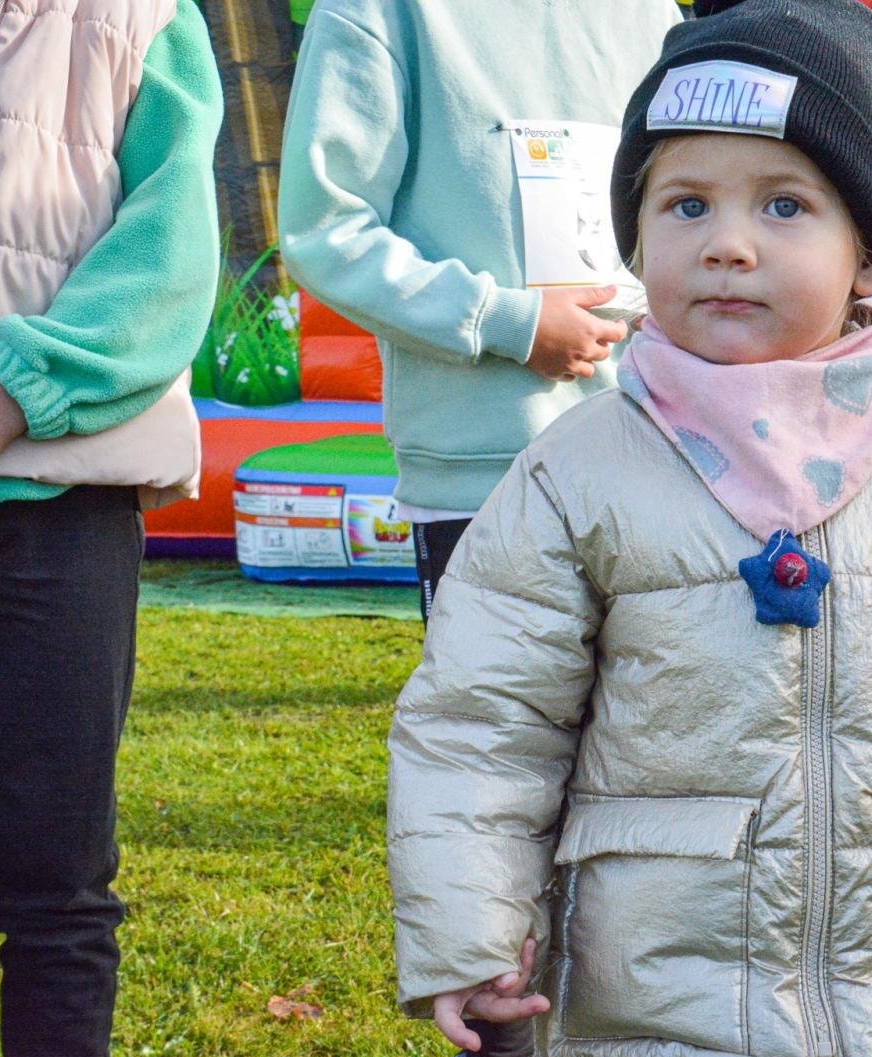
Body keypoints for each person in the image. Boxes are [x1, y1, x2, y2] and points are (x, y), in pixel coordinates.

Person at [386, 2, 872, 1057]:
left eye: (786, 205)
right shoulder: (574, 476)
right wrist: (469, 933)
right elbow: (482, 725)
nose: (729, 245)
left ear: (868, 259)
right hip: (660, 1006)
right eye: (686, 203)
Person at [0, 2, 222, 1057]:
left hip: (62, 512)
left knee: (59, 885)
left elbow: (170, 243)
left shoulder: (139, 11)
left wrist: (13, 394)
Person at [278, 0, 682, 631]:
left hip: (655, 457)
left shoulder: (651, 14)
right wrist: (506, 323)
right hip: (481, 476)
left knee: (649, 725)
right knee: (491, 726)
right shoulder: (382, 12)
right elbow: (326, 230)